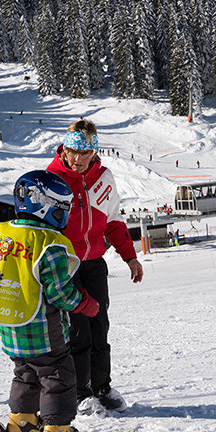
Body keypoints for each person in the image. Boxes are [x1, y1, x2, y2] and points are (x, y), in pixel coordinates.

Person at [0, 171, 99, 432]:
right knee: (57, 373)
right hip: (41, 325)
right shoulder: (50, 242)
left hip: (9, 321)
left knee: (25, 371)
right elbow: (59, 293)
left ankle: (21, 423)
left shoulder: (2, 232)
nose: (65, 214)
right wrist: (85, 304)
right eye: (62, 208)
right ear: (45, 205)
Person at [47, 120, 143, 413]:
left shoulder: (104, 177)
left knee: (100, 326)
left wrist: (130, 256)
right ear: (65, 147)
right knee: (78, 331)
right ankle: (80, 392)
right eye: (73, 150)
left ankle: (102, 386)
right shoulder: (52, 179)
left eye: (85, 152)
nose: (77, 158)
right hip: (67, 266)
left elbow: (113, 221)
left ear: (94, 152)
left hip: (95, 265)